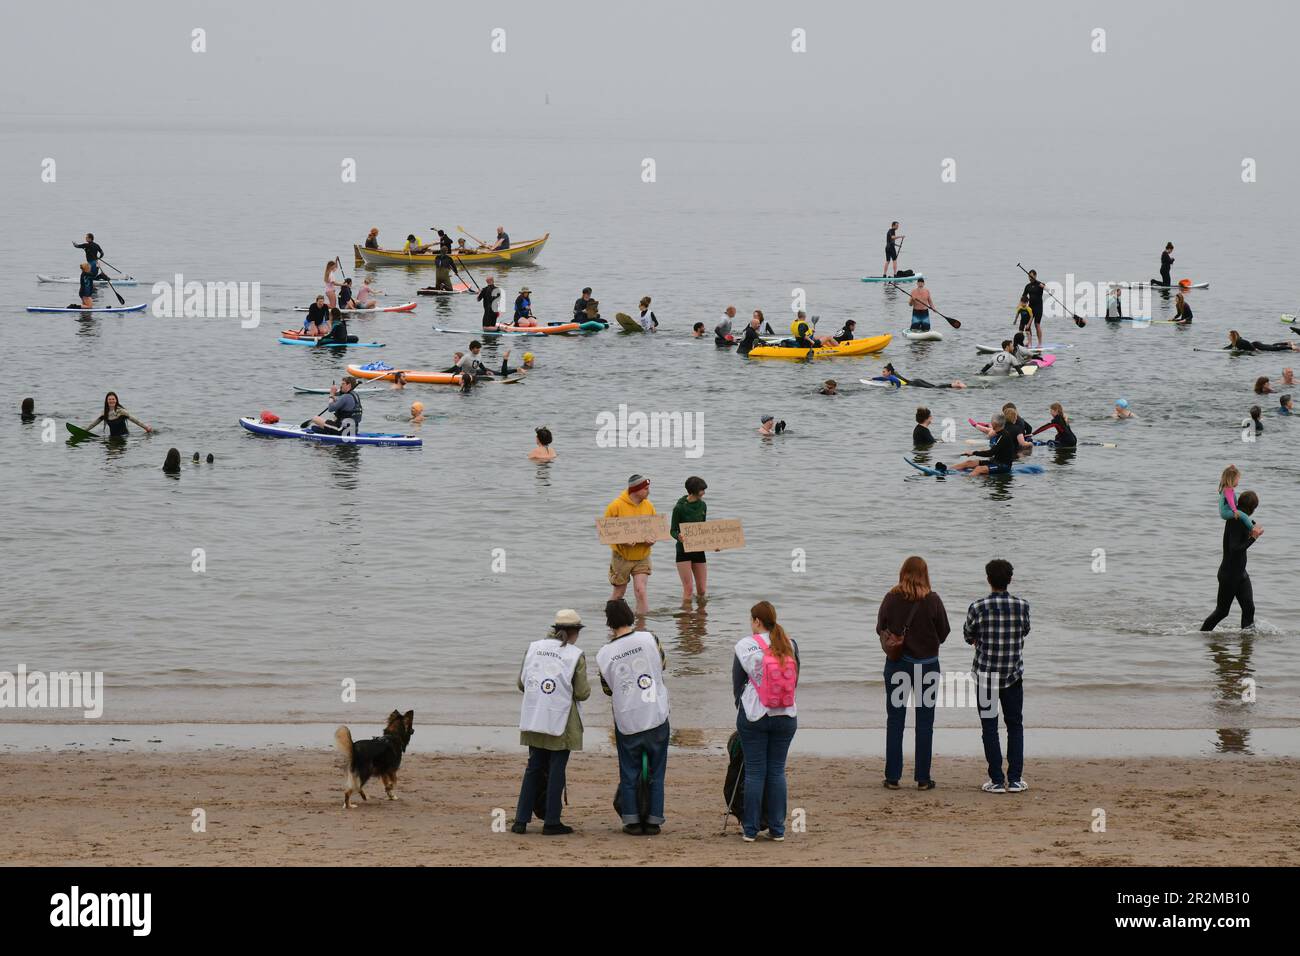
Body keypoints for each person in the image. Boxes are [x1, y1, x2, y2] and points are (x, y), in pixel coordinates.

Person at [596, 598, 670, 835]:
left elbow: (606, 688)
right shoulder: (650, 639)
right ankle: (654, 819)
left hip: (627, 717)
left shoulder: (604, 653)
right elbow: (663, 664)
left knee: (629, 770)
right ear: (631, 616)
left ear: (609, 624)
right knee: (657, 771)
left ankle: (632, 820)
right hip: (655, 713)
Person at [512, 609, 589, 835]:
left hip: (535, 715)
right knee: (557, 769)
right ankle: (552, 821)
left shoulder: (534, 647)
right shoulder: (575, 654)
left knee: (534, 767)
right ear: (575, 632)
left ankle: (520, 820)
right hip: (561, 720)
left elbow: (521, 683)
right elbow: (583, 693)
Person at [876, 555, 949, 790]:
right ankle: (923, 779)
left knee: (895, 720)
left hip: (898, 666)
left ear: (902, 572)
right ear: (925, 574)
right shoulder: (933, 600)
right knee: (925, 722)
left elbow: (880, 628)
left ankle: (892, 777)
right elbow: (944, 632)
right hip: (927, 666)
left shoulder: (891, 598)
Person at [964, 558, 1032, 793]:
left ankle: (995, 779)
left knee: (989, 727)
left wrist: (979, 640)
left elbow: (968, 634)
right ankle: (1014, 779)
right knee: (1015, 725)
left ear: (988, 579)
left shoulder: (977, 607)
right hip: (1013, 674)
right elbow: (1025, 630)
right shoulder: (1022, 605)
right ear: (1010, 580)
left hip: (985, 676)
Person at [733, 601, 799, 841]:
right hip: (786, 714)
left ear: (757, 621)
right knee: (777, 771)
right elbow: (795, 679)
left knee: (754, 772)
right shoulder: (789, 643)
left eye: (751, 620)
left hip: (755, 715)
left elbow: (737, 684)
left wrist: (744, 705)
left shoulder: (745, 645)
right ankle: (777, 830)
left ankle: (750, 830)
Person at [1201, 490, 1262, 631]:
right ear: (1252, 508)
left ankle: (1246, 645)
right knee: (1222, 612)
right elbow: (1235, 549)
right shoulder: (1236, 520)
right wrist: (1253, 538)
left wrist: (1253, 528)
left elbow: (1244, 532)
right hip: (1229, 575)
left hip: (1240, 574)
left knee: (1249, 608)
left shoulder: (1241, 518)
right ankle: (1202, 635)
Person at [603, 475, 656, 614]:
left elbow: (655, 529)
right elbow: (606, 531)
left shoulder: (649, 505)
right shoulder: (616, 506)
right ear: (635, 490)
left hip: (642, 555)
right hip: (622, 557)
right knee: (619, 593)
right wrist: (622, 540)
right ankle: (611, 622)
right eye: (645, 489)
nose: (648, 491)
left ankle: (642, 629)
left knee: (641, 591)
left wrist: (652, 540)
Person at [940, 413, 1030, 475]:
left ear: (995, 424)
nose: (990, 424)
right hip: (994, 462)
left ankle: (966, 484)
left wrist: (973, 452)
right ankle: (945, 470)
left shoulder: (1004, 436)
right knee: (969, 462)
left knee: (979, 469)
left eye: (991, 422)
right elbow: (994, 451)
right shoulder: (998, 433)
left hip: (1003, 466)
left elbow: (991, 453)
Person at [670, 476, 708, 603]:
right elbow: (673, 530)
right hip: (683, 550)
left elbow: (704, 528)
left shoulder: (703, 505)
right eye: (702, 489)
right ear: (694, 490)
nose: (704, 492)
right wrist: (678, 536)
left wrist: (714, 543)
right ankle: (686, 618)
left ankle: (700, 618)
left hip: (698, 549)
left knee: (702, 589)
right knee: (688, 589)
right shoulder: (679, 508)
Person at [82, 391, 153, 436]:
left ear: (116, 400)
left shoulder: (121, 412)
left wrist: (146, 427)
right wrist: (84, 431)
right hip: (112, 438)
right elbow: (94, 424)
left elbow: (135, 420)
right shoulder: (104, 414)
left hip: (124, 437)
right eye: (109, 399)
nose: (111, 401)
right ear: (107, 401)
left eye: (113, 399)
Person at [871, 362, 967, 389]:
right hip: (916, 381)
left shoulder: (891, 376)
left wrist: (898, 389)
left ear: (889, 372)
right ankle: (954, 384)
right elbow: (883, 378)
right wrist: (873, 378)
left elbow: (895, 382)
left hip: (914, 384)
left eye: (884, 371)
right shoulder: (894, 373)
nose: (883, 373)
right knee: (934, 386)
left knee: (935, 388)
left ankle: (954, 385)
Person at [1218, 465, 1254, 529]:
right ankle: (1252, 528)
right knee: (1243, 515)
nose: (1238, 482)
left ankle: (1252, 523)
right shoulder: (1228, 490)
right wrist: (1235, 510)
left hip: (1225, 511)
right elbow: (1230, 501)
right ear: (1232, 479)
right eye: (1237, 479)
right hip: (1226, 512)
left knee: (1242, 514)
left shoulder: (1225, 488)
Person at [1021, 270, 1045, 347]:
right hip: (1030, 308)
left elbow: (1048, 289)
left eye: (1031, 276)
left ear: (1035, 276)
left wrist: (1043, 286)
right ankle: (1029, 342)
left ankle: (1040, 343)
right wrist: (1020, 306)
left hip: (1038, 307)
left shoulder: (1040, 284)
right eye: (1029, 276)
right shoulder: (1027, 286)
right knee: (1028, 324)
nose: (1030, 278)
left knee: (1037, 324)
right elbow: (1023, 297)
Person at [1226, 329, 1298, 352]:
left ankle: (1291, 347)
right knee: (1271, 346)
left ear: (1232, 337)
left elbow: (1247, 343)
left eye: (1229, 335)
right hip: (1255, 345)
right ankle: (1286, 343)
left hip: (1257, 346)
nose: (1228, 337)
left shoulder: (1240, 341)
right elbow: (1228, 348)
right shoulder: (1235, 342)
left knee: (1272, 348)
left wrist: (1255, 350)